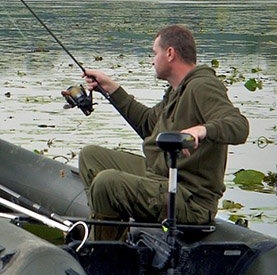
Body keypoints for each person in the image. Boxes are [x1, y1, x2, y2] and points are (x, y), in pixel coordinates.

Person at [79, 25, 249, 237]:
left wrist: (201, 130)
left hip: (188, 199)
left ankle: (104, 255)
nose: (152, 60)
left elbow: (239, 125)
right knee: (91, 156)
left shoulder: (202, 86)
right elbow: (148, 125)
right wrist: (110, 88)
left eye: (155, 53)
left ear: (170, 53)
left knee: (107, 182)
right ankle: (107, 226)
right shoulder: (177, 90)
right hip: (160, 176)